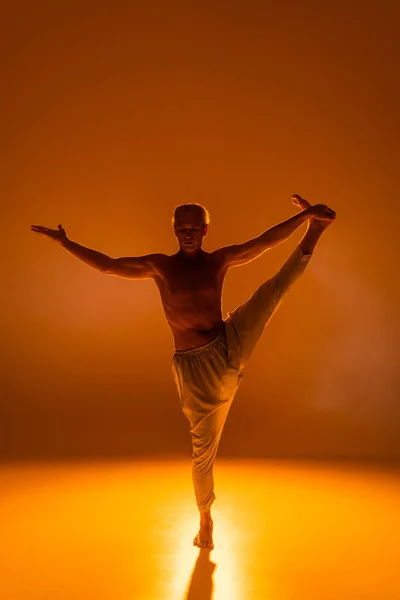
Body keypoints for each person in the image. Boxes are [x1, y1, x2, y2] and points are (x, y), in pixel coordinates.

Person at [31, 193, 336, 549]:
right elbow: (108, 265)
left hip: (229, 339)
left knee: (272, 292)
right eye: (182, 228)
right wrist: (67, 243)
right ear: (174, 231)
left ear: (205, 230)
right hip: (196, 369)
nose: (188, 233)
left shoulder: (218, 261)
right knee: (202, 451)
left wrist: (305, 217)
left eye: (194, 228)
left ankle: (317, 230)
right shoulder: (161, 266)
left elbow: (263, 243)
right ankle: (205, 520)